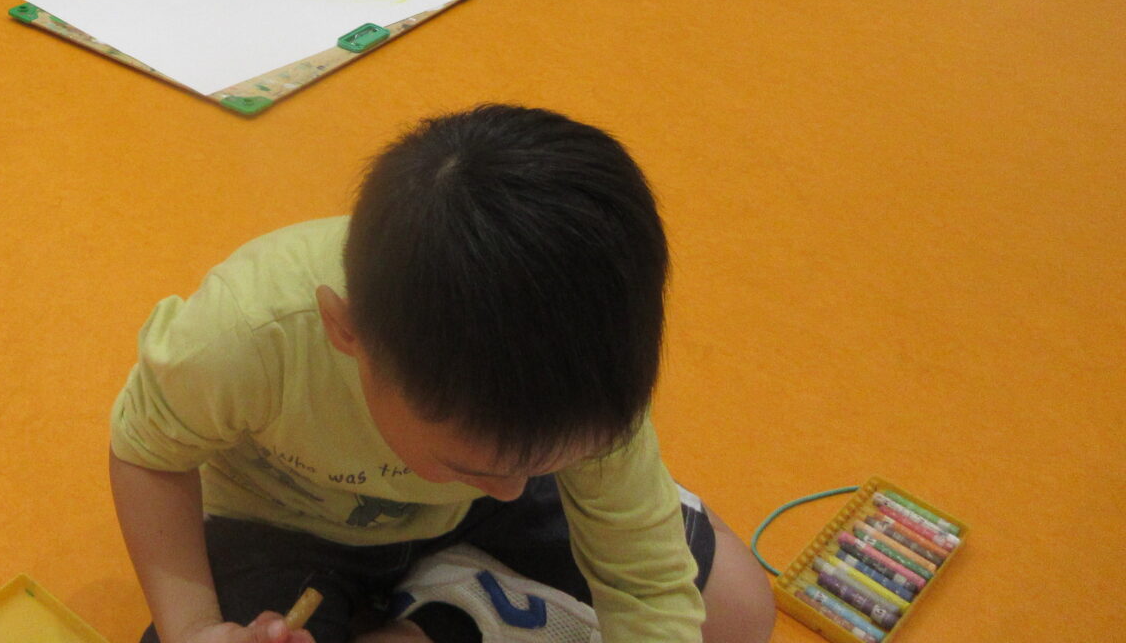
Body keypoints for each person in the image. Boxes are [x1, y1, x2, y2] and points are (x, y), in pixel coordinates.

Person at [107, 105, 777, 643]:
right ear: (349, 334)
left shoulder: (583, 379)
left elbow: (645, 586)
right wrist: (193, 628)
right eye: (469, 463)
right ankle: (450, 608)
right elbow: (147, 456)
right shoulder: (247, 334)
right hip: (283, 527)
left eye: (547, 461)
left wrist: (517, 473)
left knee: (739, 612)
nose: (514, 490)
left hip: (471, 510)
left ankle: (448, 599)